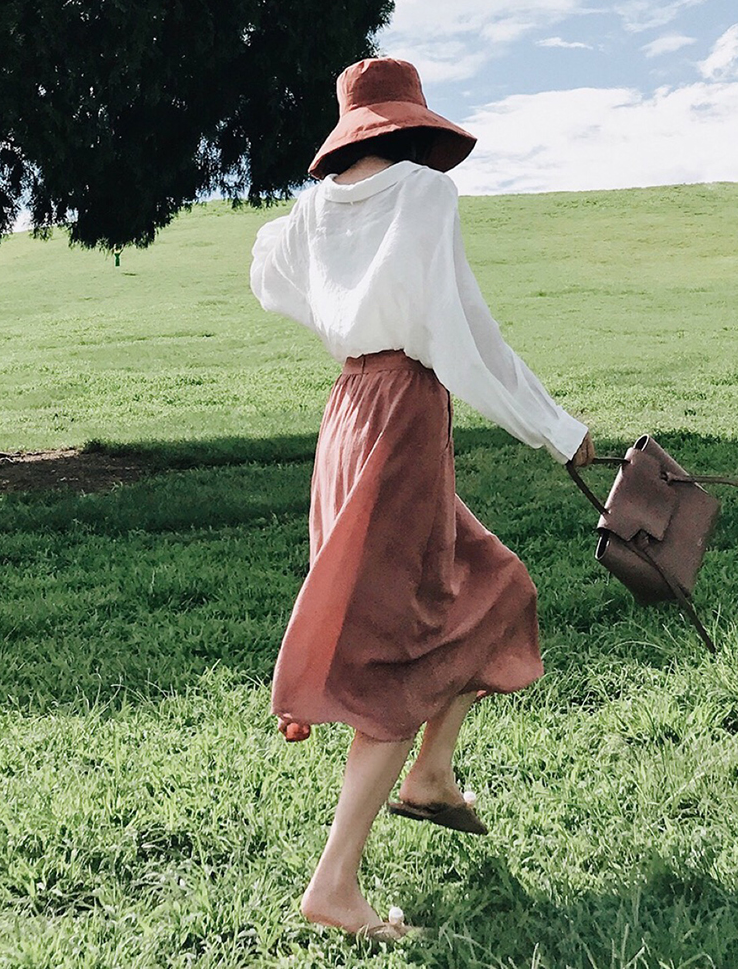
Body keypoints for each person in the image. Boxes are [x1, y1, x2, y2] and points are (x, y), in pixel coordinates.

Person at [251, 56, 594, 947]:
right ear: (409, 126)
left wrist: (345, 307)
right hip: (401, 413)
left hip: (348, 412)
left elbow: (268, 275)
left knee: (496, 585)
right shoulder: (422, 194)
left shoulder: (309, 211)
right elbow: (461, 333)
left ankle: (431, 777)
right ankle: (333, 885)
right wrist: (554, 428)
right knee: (399, 649)